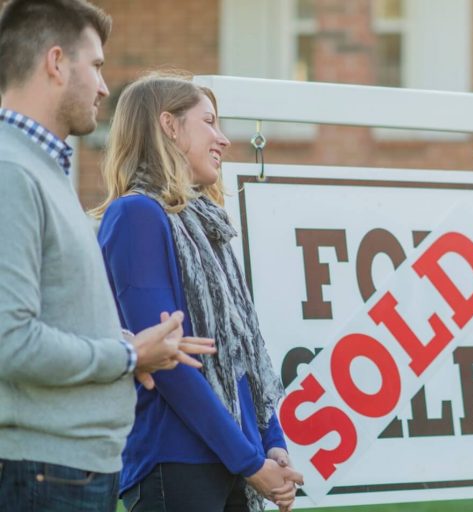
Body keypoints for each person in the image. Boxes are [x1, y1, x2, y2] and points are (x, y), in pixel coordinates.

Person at [0, 2, 216, 512]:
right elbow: (10, 340)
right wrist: (128, 356)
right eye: (96, 66)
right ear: (56, 62)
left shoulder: (42, 169)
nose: (103, 86)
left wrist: (123, 342)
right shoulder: (12, 172)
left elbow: (50, 312)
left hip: (68, 471)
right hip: (43, 473)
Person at [92, 74, 303, 512]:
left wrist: (271, 442)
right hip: (177, 463)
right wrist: (249, 461)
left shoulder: (209, 224)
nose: (223, 139)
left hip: (234, 459)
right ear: (169, 126)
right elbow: (170, 360)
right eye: (209, 122)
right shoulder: (136, 215)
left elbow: (240, 350)